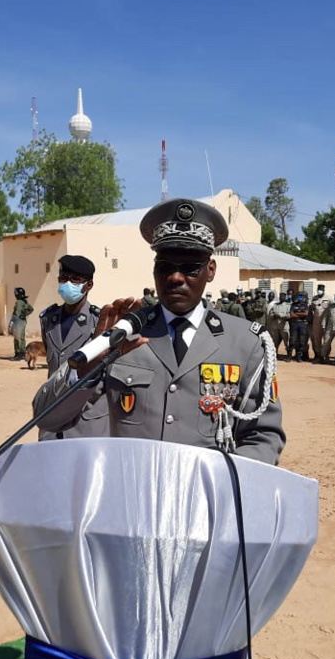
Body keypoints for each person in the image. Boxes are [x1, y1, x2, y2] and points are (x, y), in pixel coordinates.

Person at [34, 198, 284, 464]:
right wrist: (85, 370)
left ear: (210, 271)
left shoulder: (246, 342)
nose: (175, 277)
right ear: (154, 269)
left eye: (190, 268)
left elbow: (263, 436)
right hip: (132, 493)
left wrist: (224, 481)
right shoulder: (122, 336)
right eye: (165, 266)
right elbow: (48, 417)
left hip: (206, 497)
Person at [38, 255, 107, 439]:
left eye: (75, 279)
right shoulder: (47, 319)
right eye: (64, 278)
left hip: (84, 421)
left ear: (89, 285)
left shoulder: (99, 321)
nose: (68, 284)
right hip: (51, 417)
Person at [11, 287, 34, 361]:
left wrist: (12, 322)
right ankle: (23, 352)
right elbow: (31, 309)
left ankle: (18, 353)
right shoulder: (25, 302)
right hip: (23, 321)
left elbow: (16, 313)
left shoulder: (19, 302)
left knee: (17, 338)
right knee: (22, 337)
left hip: (18, 321)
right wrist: (25, 314)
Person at [266, 292, 291, 359]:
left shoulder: (288, 306)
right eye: (280, 296)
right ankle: (275, 355)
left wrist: (282, 316)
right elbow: (270, 314)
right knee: (275, 342)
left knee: (287, 342)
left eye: (283, 296)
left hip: (284, 327)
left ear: (285, 298)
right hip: (275, 327)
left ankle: (289, 355)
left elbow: (289, 316)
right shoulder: (275, 305)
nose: (281, 298)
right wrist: (274, 315)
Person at [308, 285, 329, 362]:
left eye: (321, 290)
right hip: (316, 322)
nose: (319, 291)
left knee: (326, 340)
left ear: (324, 290)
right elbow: (312, 309)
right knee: (317, 340)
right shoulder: (314, 298)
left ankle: (326, 356)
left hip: (326, 323)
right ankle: (318, 356)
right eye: (318, 290)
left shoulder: (329, 299)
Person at [289, 293, 309, 362]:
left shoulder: (305, 305)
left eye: (301, 296)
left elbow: (306, 314)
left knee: (301, 341)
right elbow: (291, 315)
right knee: (292, 340)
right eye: (299, 296)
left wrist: (296, 314)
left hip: (302, 324)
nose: (300, 298)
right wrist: (301, 315)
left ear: (303, 297)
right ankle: (289, 356)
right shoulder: (293, 305)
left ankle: (298, 356)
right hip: (294, 324)